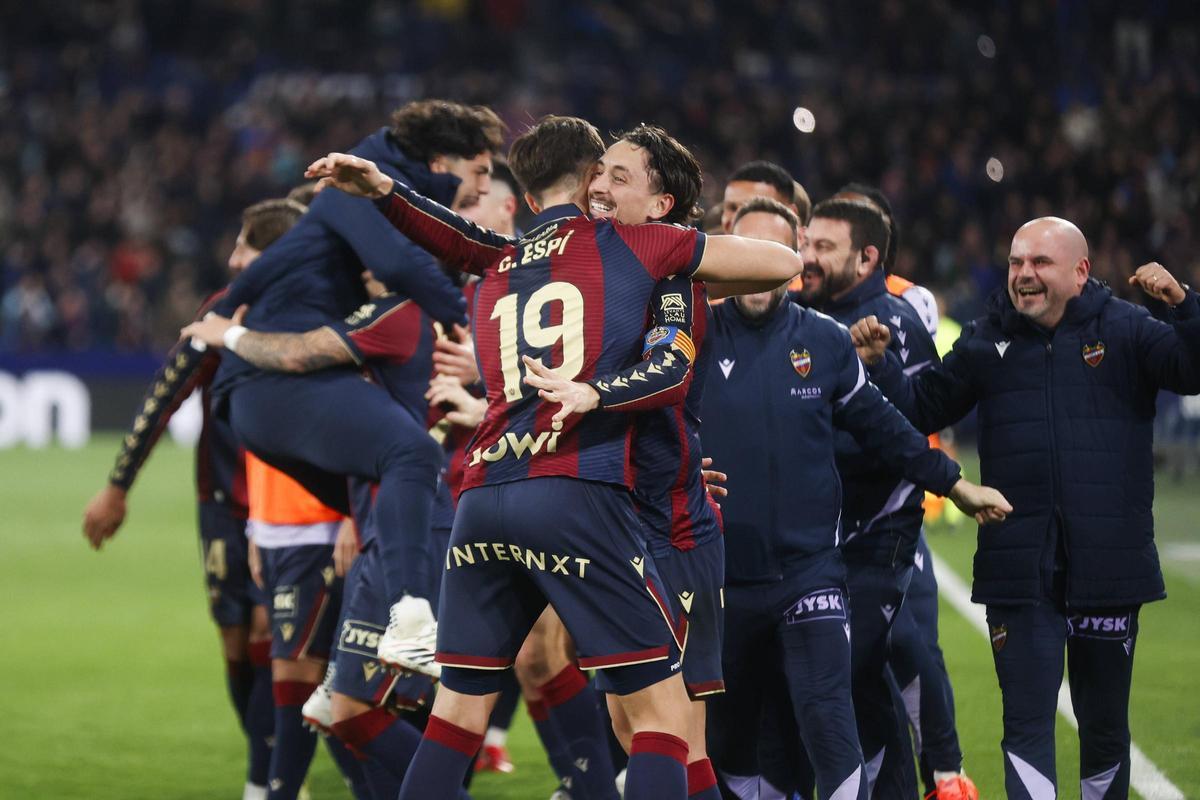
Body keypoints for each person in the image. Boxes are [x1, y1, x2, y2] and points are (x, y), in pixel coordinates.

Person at [305, 113, 807, 800]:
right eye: (606, 173)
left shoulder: (501, 256)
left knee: (459, 716)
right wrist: (600, 386)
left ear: (527, 193)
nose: (607, 188)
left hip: (492, 495)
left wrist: (383, 189)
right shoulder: (639, 247)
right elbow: (770, 274)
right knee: (661, 721)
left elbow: (451, 235)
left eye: (622, 177)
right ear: (588, 176)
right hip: (586, 495)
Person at [849, 217, 1200, 800]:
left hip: (1109, 570)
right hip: (1018, 572)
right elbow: (923, 408)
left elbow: (1193, 370)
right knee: (1027, 729)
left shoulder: (1125, 328)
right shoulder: (987, 339)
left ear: (1080, 272)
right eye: (1015, 263)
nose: (1023, 275)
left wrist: (1184, 305)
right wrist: (880, 365)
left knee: (1105, 731)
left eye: (1039, 263)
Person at [699, 197, 1010, 800]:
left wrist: (956, 485)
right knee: (735, 739)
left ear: (792, 262)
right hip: (724, 578)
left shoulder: (824, 341)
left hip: (810, 575)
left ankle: (936, 768)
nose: (757, 268)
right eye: (745, 253)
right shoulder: (692, 337)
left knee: (829, 719)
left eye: (773, 253)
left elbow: (885, 426)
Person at [207, 100, 505, 670]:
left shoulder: (374, 199)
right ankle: (407, 622)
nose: (484, 186)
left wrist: (225, 315)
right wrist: (461, 320)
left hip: (267, 396)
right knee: (410, 455)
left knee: (395, 491)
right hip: (276, 387)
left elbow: (274, 271)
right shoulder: (359, 190)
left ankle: (370, 656)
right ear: (441, 163)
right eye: (480, 170)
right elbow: (397, 266)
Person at [82, 197, 305, 800]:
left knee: (275, 635)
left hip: (292, 507)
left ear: (277, 255)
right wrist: (118, 485)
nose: (233, 258)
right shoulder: (221, 311)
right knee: (237, 640)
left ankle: (268, 777)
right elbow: (166, 393)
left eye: (245, 246)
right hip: (225, 504)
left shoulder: (315, 313)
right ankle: (271, 758)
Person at [831, 181, 971, 799]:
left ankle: (945, 771)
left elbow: (918, 405)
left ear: (871, 247)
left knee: (910, 641)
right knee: (850, 663)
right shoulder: (802, 302)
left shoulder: (907, 302)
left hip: (890, 505)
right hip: (826, 516)